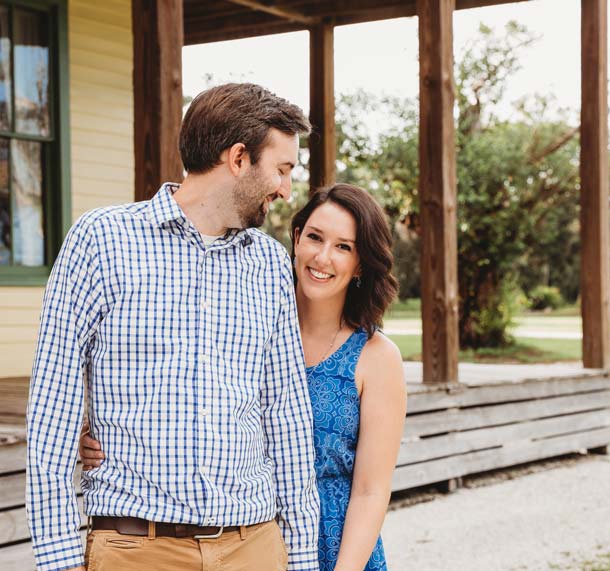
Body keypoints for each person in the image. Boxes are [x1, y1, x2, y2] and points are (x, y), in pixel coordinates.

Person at [26, 83, 320, 571]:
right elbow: (51, 412)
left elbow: (286, 415)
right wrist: (58, 560)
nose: (287, 188)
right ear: (239, 158)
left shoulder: (269, 263)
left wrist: (303, 557)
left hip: (254, 546)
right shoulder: (101, 241)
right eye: (283, 169)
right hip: (137, 549)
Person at [81, 183, 407, 571]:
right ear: (297, 237)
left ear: (362, 264)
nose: (323, 257)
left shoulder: (376, 357)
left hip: (333, 543)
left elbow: (371, 491)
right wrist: (107, 437)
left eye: (344, 247)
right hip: (247, 537)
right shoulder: (243, 321)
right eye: (315, 238)